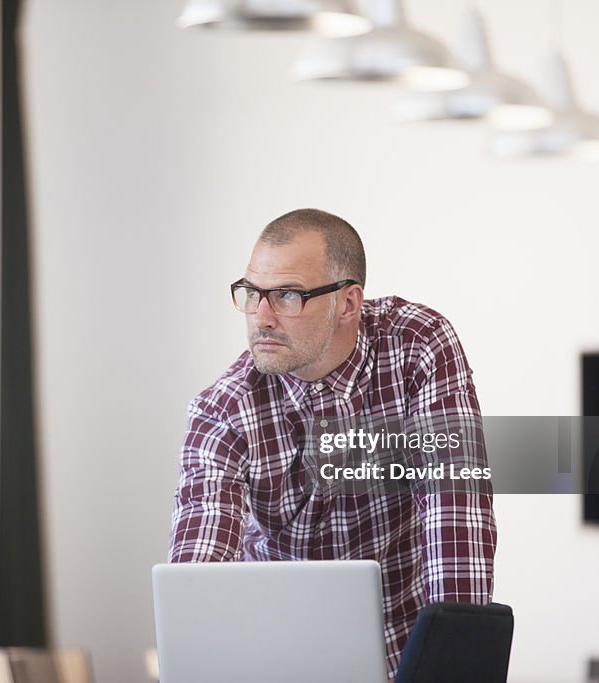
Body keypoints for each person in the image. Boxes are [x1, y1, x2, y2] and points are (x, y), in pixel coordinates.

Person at [168, 208, 497, 680]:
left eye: (286, 295)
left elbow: (454, 511)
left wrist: (456, 665)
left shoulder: (416, 347)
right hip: (280, 661)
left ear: (347, 303)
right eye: (251, 293)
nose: (261, 317)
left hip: (409, 651)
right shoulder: (222, 412)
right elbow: (198, 576)